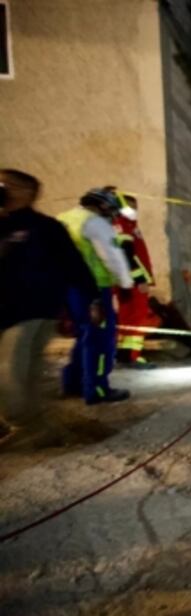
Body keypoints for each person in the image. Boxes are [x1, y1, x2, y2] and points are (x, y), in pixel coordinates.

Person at [0, 170, 97, 442]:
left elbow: (74, 264)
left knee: (9, 372)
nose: (2, 188)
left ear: (28, 193)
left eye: (8, 184)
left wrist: (92, 299)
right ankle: (32, 426)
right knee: (25, 374)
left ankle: (28, 424)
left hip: (32, 310)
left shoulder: (45, 227)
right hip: (4, 310)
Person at [58, 188, 135, 405]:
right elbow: (112, 256)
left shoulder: (63, 218)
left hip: (68, 288)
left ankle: (72, 384)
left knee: (83, 336)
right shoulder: (96, 223)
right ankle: (97, 389)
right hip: (94, 288)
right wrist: (126, 284)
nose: (113, 214)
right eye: (111, 208)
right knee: (100, 340)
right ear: (102, 205)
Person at [111, 193, 159, 369]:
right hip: (132, 281)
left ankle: (124, 354)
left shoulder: (130, 225)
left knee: (128, 317)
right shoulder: (122, 225)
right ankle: (131, 355)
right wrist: (139, 279)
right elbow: (127, 254)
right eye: (130, 207)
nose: (134, 211)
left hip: (128, 280)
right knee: (137, 317)